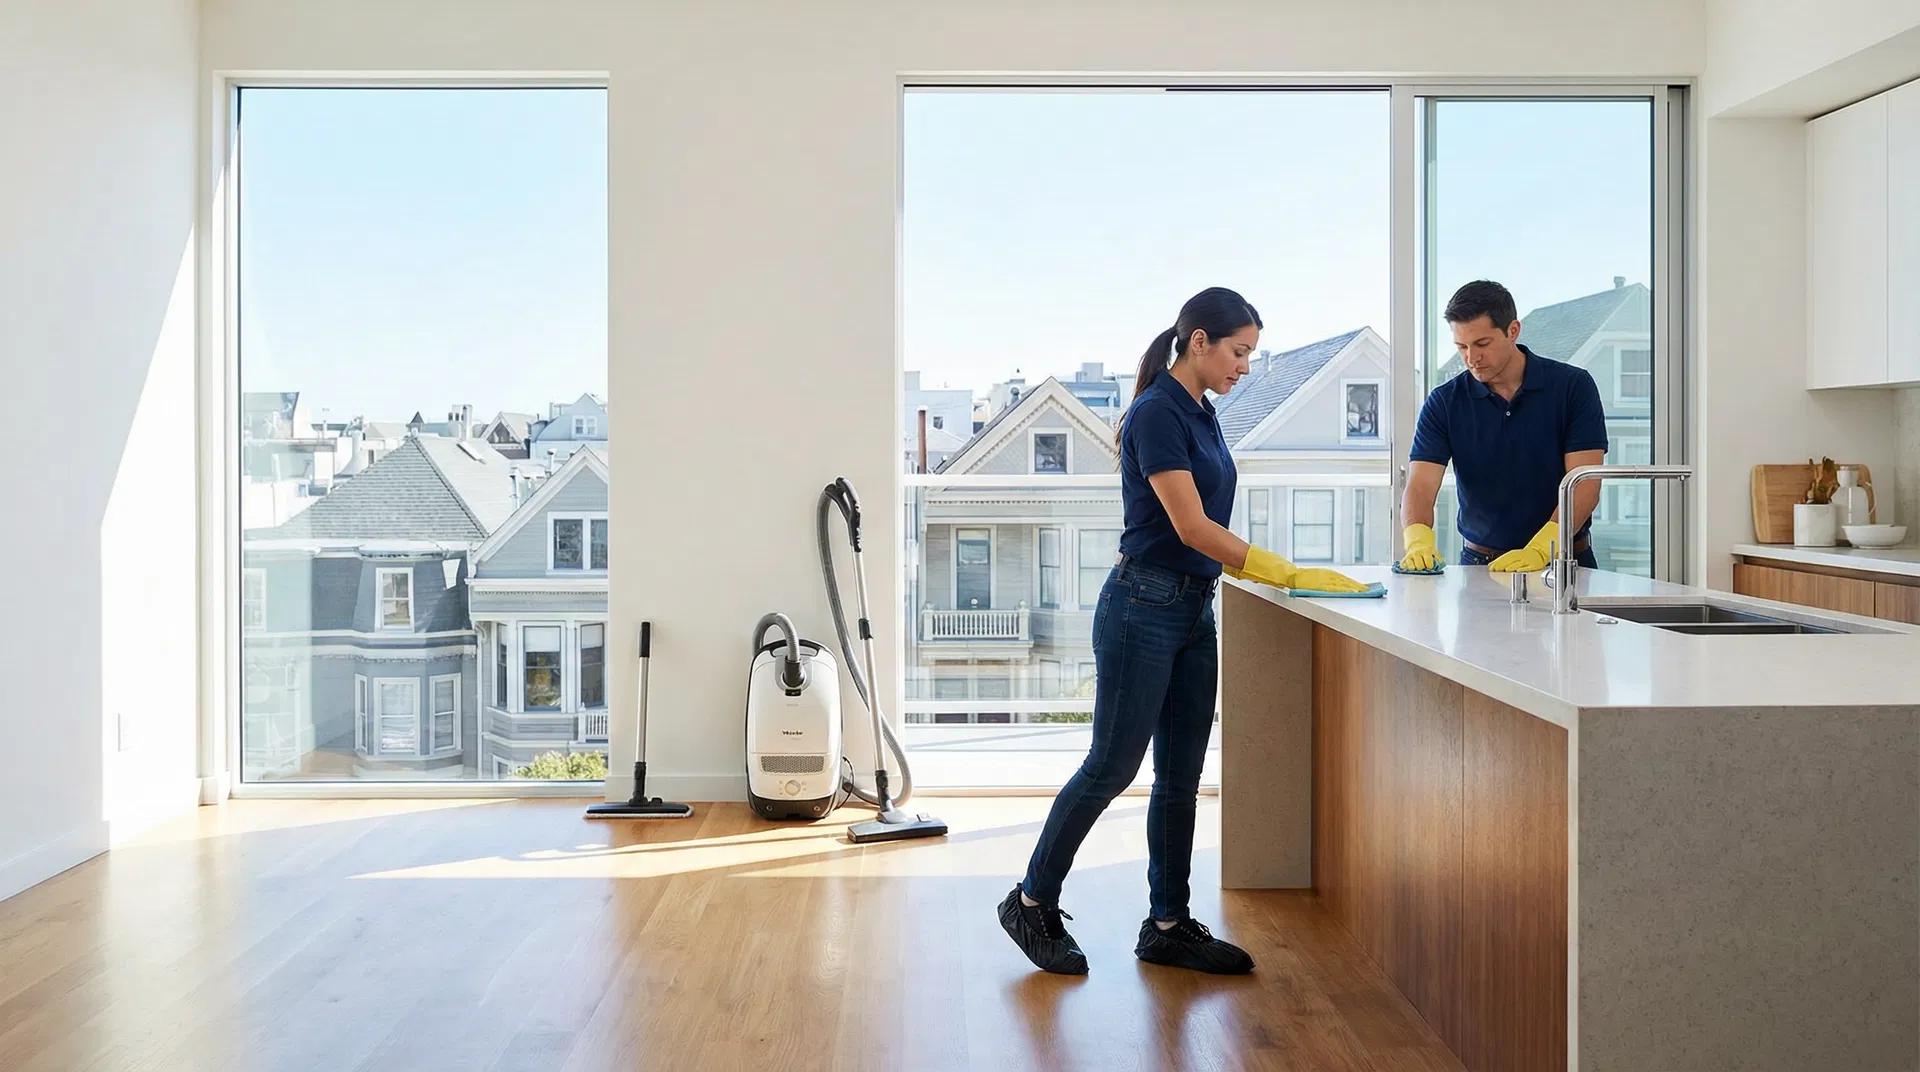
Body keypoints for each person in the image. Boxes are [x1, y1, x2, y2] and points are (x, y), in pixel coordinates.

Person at [997, 287, 1369, 976]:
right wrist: (1279, 570)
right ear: (1198, 341)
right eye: (1238, 352)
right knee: (1112, 766)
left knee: (1181, 776)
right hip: (1143, 604)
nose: (1244, 368)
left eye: (1250, 354)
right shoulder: (1156, 414)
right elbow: (1189, 526)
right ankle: (1029, 900)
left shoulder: (1202, 411)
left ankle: (1167, 925)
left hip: (1195, 605)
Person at [1399, 280, 1610, 574]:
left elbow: (1585, 483)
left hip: (1565, 562)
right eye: (1462, 346)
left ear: (1513, 330)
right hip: (1479, 566)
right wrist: (1418, 540)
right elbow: (1420, 484)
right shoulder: (1444, 402)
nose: (1472, 358)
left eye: (1482, 344)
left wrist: (1543, 548)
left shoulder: (1573, 387)